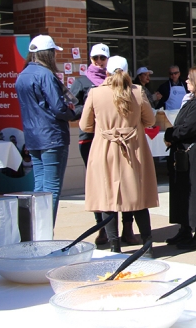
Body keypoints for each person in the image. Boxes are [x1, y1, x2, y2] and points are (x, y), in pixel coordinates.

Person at [79, 56, 159, 255]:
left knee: (108, 200)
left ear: (106, 71)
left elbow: (85, 126)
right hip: (133, 150)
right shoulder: (137, 91)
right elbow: (150, 120)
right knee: (138, 198)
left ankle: (115, 248)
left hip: (104, 149)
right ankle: (147, 247)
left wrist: (105, 127)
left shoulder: (95, 93)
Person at [70, 43, 140, 246]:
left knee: (128, 184)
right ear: (90, 60)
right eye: (96, 58)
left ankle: (128, 227)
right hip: (92, 139)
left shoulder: (126, 84)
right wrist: (94, 105)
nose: (99, 62)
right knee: (100, 186)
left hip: (121, 139)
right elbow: (74, 111)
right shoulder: (83, 82)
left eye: (103, 58)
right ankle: (102, 229)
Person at [15, 35, 76, 225]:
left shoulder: (22, 75)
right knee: (51, 188)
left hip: (33, 137)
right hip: (52, 136)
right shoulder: (46, 75)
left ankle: (36, 232)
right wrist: (75, 113)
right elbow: (58, 108)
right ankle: (46, 233)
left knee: (40, 187)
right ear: (47, 54)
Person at [163, 66, 196, 250]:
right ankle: (184, 228)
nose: (186, 82)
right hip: (185, 152)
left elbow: (190, 127)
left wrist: (170, 134)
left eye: (190, 79)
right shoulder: (193, 100)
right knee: (183, 190)